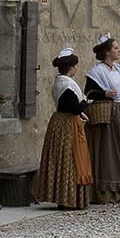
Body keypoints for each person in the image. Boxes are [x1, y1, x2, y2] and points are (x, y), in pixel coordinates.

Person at [31, 48, 91, 210]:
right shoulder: (67, 85)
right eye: (75, 66)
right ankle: (69, 199)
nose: (76, 69)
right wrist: (86, 101)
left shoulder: (60, 82)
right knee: (69, 159)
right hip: (67, 125)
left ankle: (62, 197)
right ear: (71, 67)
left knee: (60, 159)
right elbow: (74, 108)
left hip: (59, 122)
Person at [83, 34, 120, 204]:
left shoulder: (119, 70)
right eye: (115, 47)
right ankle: (107, 192)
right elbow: (88, 93)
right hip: (106, 115)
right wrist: (104, 93)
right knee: (108, 151)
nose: (118, 50)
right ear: (107, 51)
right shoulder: (96, 72)